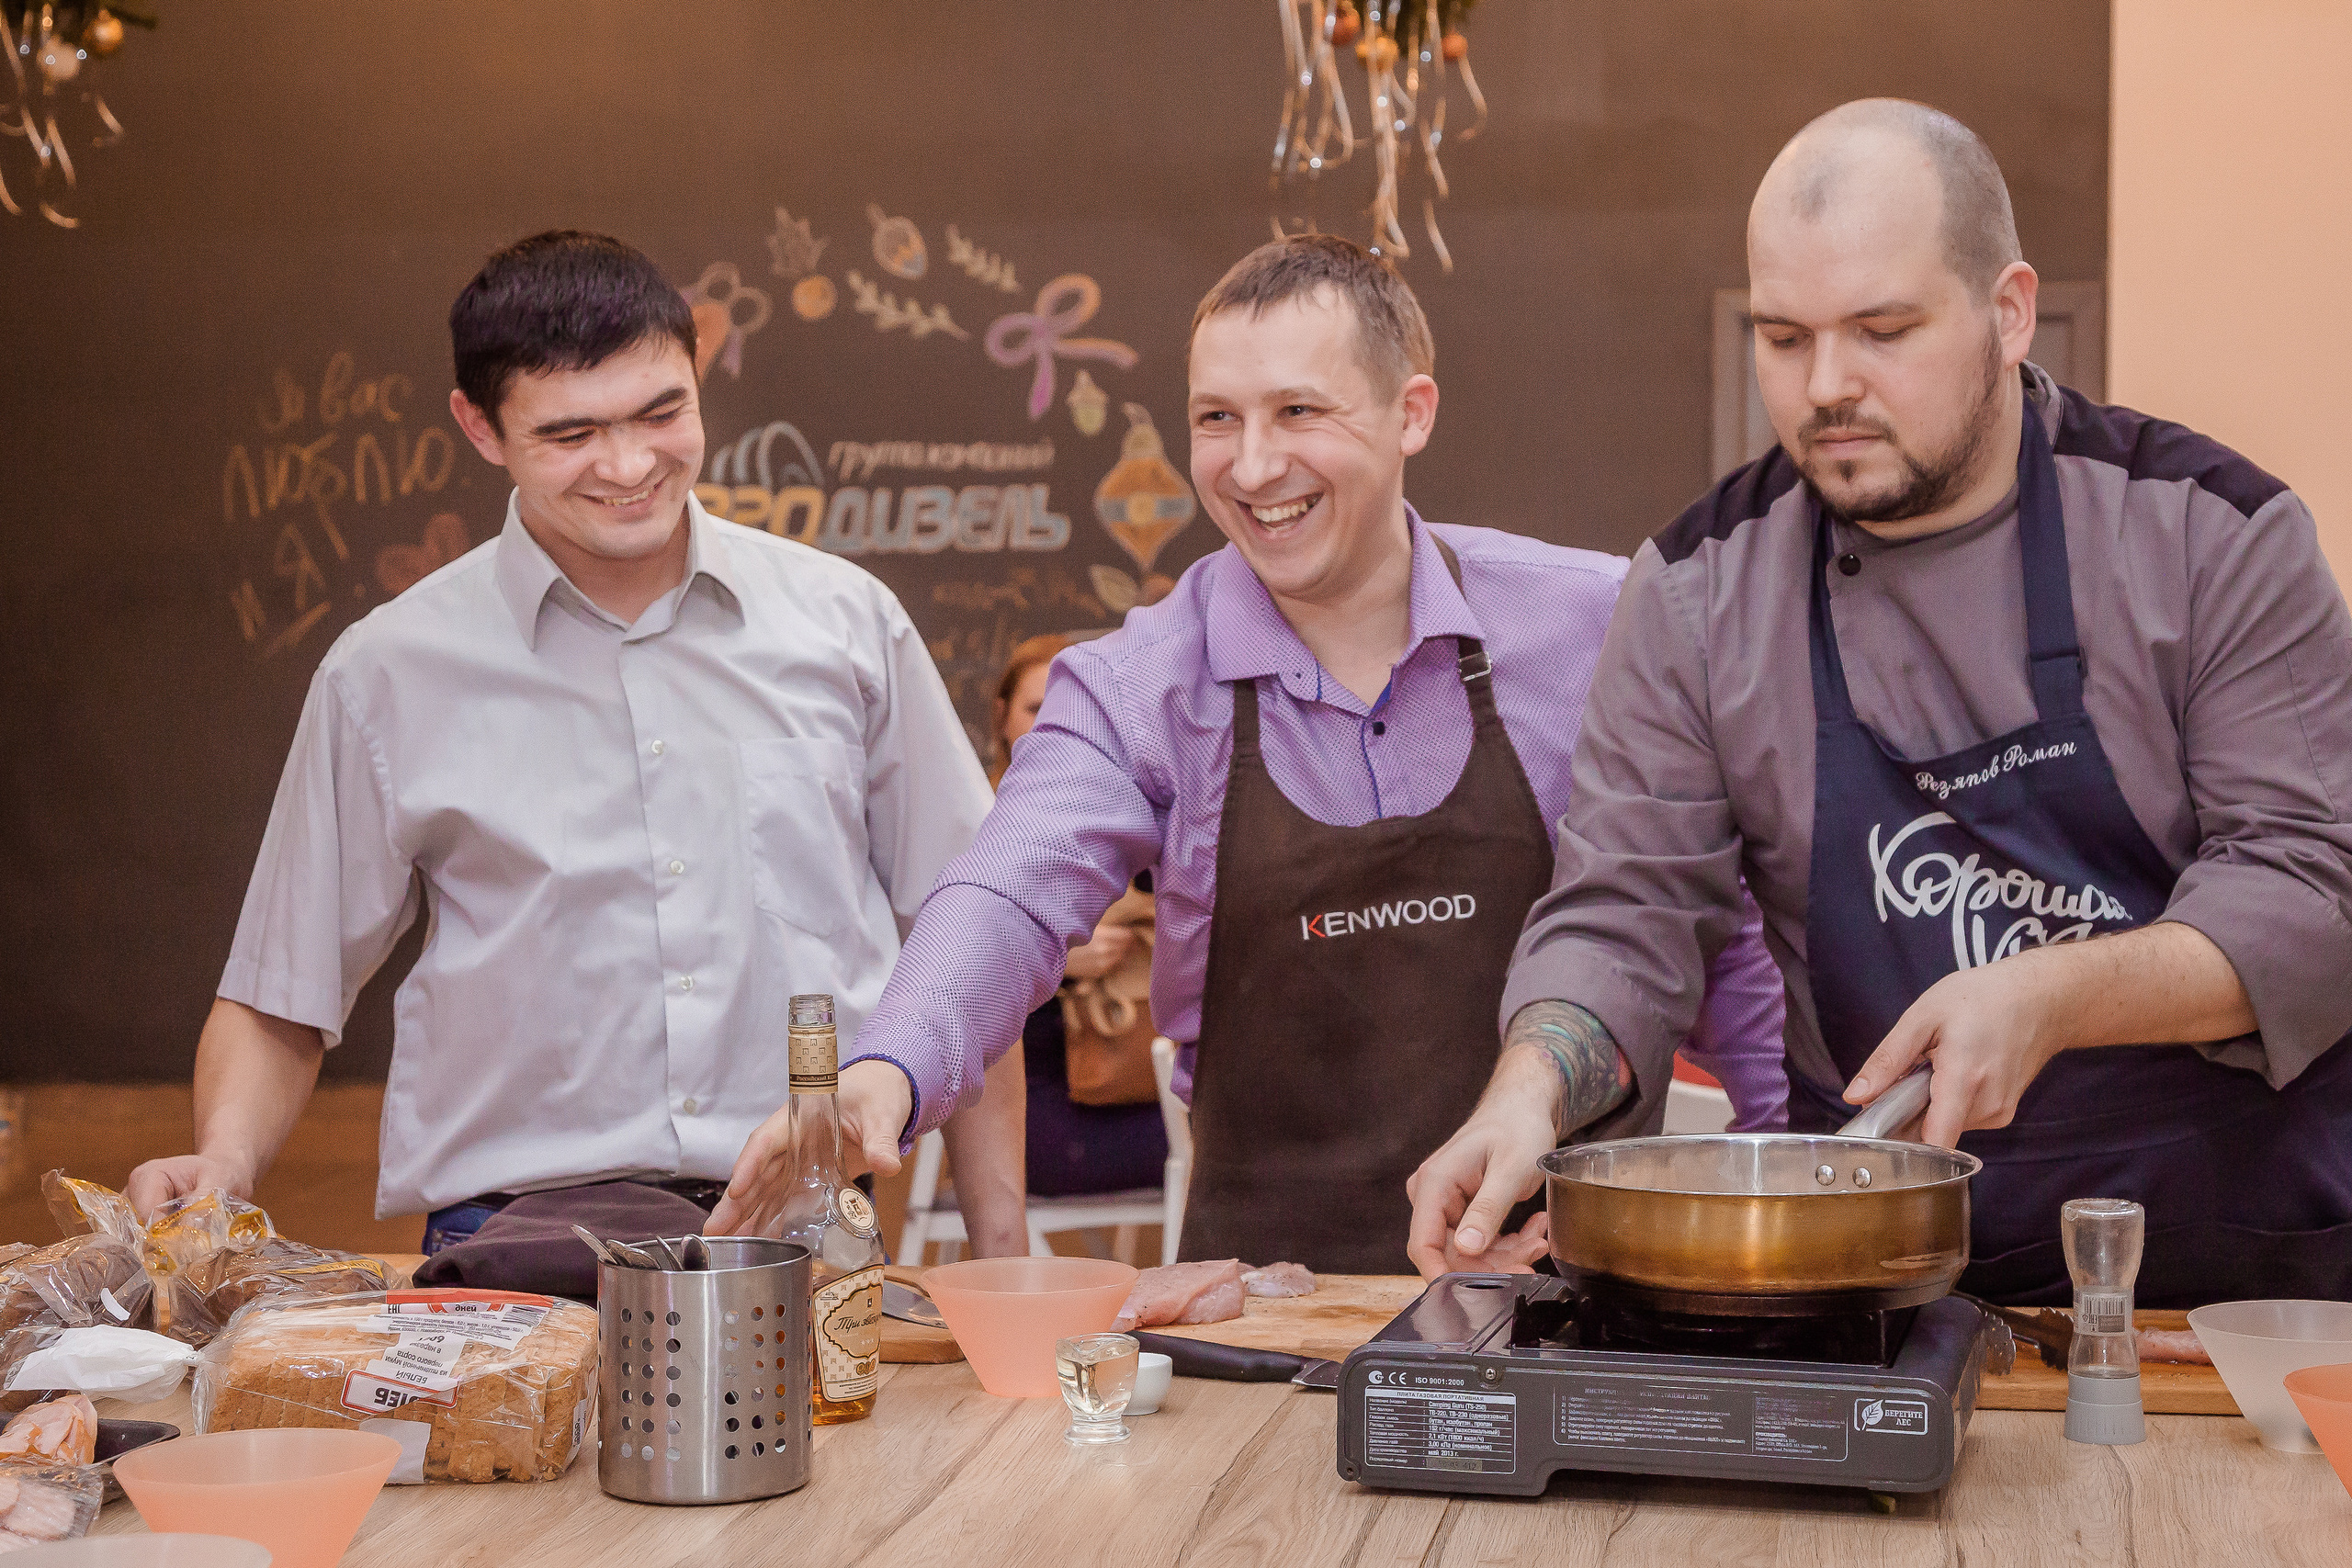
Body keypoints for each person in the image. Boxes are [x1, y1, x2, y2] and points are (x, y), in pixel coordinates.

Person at [1409, 100, 2352, 1305]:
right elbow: (1627, 907)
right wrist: (1529, 1087)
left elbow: (2315, 889)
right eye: (1785, 338)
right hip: (1881, 1282)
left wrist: (2054, 991)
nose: (1827, 386)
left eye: (1882, 330)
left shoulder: (2208, 532)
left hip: (2232, 1276)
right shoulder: (1700, 593)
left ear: (2008, 311)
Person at [719, 232, 1787, 1275]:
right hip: (1267, 1313)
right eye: (1216, 420)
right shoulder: (1140, 684)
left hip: (1584, 1295)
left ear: (1410, 412)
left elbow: (1718, 928)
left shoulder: (1594, 623)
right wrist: (885, 1070)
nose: (1253, 464)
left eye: (1298, 412)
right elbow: (1007, 893)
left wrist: (1789, 1182)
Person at [123, 231, 1026, 1265]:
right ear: (480, 427)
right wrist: (225, 1168)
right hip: (507, 1241)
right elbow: (283, 990)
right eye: (571, 434)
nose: (631, 466)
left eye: (662, 412)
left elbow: (968, 941)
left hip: (811, 1230)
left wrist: (1007, 1256)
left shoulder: (845, 624)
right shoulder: (387, 672)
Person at [993, 635, 1170, 1199]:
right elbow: (942, 978)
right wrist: (1061, 964)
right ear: (1001, 719)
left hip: (1134, 1089)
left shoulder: (1131, 820)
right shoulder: (976, 826)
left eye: (1072, 708)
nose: (1054, 724)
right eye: (1035, 708)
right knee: (1231, 1148)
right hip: (1038, 1114)